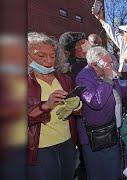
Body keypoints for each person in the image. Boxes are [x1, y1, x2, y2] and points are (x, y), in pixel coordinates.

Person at [75, 46, 127, 180]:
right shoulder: (84, 77)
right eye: (108, 63)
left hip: (112, 130)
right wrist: (107, 78)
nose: (111, 66)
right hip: (97, 136)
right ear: (95, 64)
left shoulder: (106, 73)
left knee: (114, 171)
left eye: (112, 63)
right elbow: (96, 101)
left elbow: (118, 92)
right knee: (100, 173)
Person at [27, 32, 81, 180]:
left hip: (67, 142)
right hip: (39, 148)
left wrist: (76, 106)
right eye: (41, 55)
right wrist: (46, 105)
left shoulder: (64, 79)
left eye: (52, 56)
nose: (48, 61)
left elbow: (75, 108)